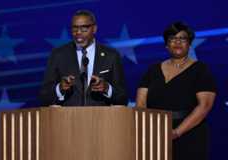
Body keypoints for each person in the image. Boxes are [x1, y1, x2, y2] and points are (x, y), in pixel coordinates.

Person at [135, 22, 216, 160]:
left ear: (189, 44)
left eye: (183, 38)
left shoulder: (201, 70)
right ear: (166, 44)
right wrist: (150, 130)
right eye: (172, 38)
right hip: (156, 135)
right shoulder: (153, 70)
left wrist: (177, 132)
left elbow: (205, 106)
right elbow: (141, 103)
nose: (177, 42)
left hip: (190, 135)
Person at [40, 10, 128, 106]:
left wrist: (107, 88)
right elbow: (44, 97)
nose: (78, 32)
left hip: (102, 119)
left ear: (94, 29)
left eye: (84, 28)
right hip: (67, 118)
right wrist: (60, 88)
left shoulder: (111, 55)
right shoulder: (58, 55)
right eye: (74, 28)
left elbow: (123, 98)